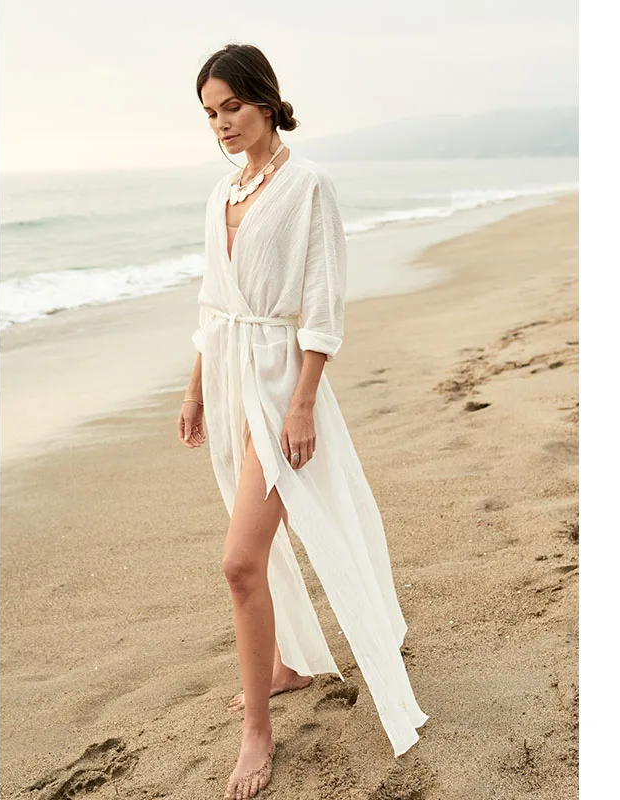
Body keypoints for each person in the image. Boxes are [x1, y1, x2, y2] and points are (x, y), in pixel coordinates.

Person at [178, 43, 428, 800]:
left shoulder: (308, 185)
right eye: (210, 113)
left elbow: (322, 302)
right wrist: (193, 389)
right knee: (253, 537)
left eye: (232, 106)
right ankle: (284, 664)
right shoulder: (222, 193)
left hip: (281, 379)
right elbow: (212, 302)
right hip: (227, 375)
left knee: (238, 560)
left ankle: (258, 733)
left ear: (265, 100)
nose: (222, 123)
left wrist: (302, 399)